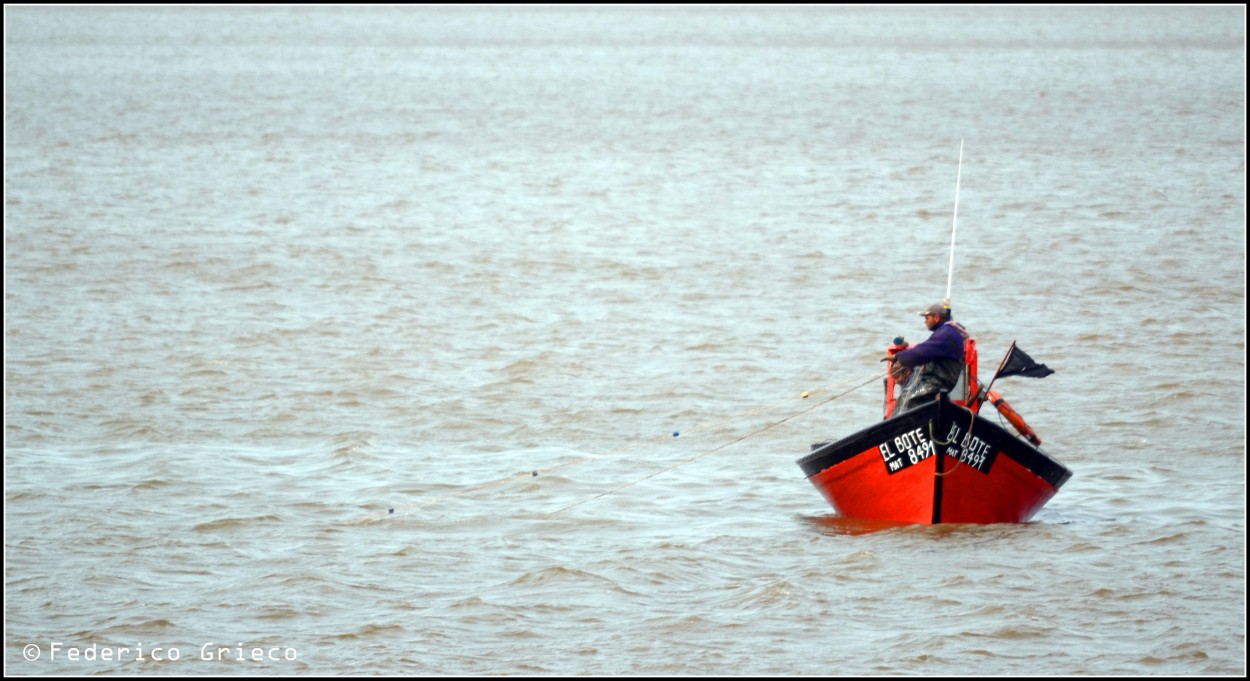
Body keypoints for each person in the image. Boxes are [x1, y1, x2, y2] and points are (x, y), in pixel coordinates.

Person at [883, 302, 969, 415]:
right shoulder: (946, 332)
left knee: (909, 401)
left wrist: (898, 357)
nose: (925, 321)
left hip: (939, 381)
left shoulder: (945, 334)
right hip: (940, 381)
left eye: (927, 318)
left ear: (936, 317)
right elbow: (926, 348)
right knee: (904, 397)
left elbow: (921, 353)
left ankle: (897, 428)